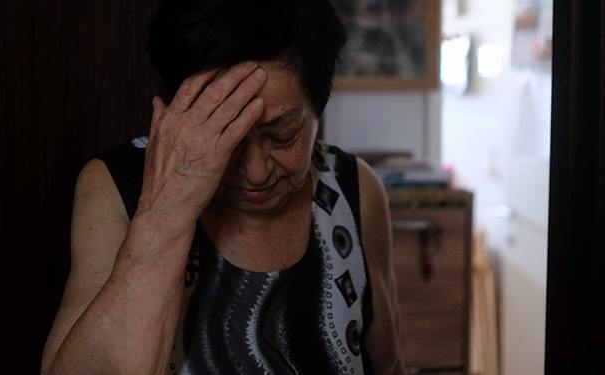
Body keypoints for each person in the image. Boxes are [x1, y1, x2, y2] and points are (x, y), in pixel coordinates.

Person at [41, 0, 404, 373]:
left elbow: (386, 364)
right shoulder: (115, 188)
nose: (256, 172)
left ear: (318, 110)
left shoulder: (352, 188)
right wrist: (166, 210)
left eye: (282, 136)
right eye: (224, 138)